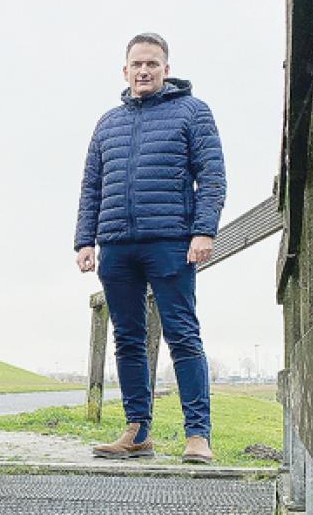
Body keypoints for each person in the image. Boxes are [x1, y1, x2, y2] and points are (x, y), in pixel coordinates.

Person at [74, 32, 226, 464]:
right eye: (137, 64)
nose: (144, 71)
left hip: (171, 242)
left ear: (166, 69)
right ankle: (137, 430)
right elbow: (92, 186)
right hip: (117, 245)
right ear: (125, 71)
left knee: (182, 334)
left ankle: (197, 435)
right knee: (128, 339)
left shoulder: (193, 112)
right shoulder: (107, 123)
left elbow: (212, 175)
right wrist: (85, 239)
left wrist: (203, 231)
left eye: (152, 64)